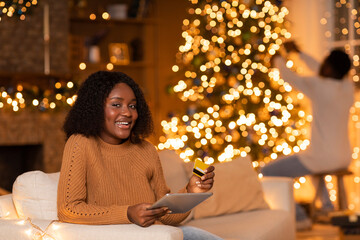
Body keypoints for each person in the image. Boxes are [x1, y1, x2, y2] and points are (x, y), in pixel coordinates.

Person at [57, 71, 222, 239]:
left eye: (132, 106)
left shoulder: (147, 150)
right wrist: (128, 213)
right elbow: (69, 209)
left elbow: (166, 216)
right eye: (116, 105)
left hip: (160, 235)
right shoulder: (80, 143)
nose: (128, 113)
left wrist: (190, 192)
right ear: (95, 108)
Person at [261, 42, 355, 230]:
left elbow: (290, 77)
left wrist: (278, 59)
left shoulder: (318, 85)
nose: (322, 66)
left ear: (329, 67)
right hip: (344, 157)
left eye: (326, 63)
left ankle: (300, 217)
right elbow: (319, 68)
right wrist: (299, 53)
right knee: (313, 164)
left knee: (268, 171)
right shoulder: (347, 87)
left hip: (322, 158)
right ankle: (328, 207)